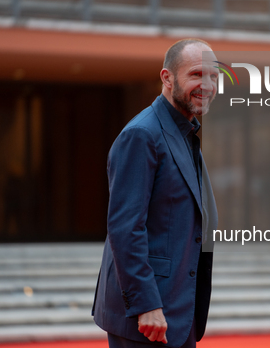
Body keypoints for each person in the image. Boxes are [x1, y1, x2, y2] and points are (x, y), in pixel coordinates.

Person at [92, 38, 219, 348]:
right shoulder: (142, 135)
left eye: (214, 77)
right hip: (148, 318)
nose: (208, 85)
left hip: (177, 310)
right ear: (167, 78)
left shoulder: (185, 132)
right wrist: (147, 304)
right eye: (196, 75)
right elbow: (125, 228)